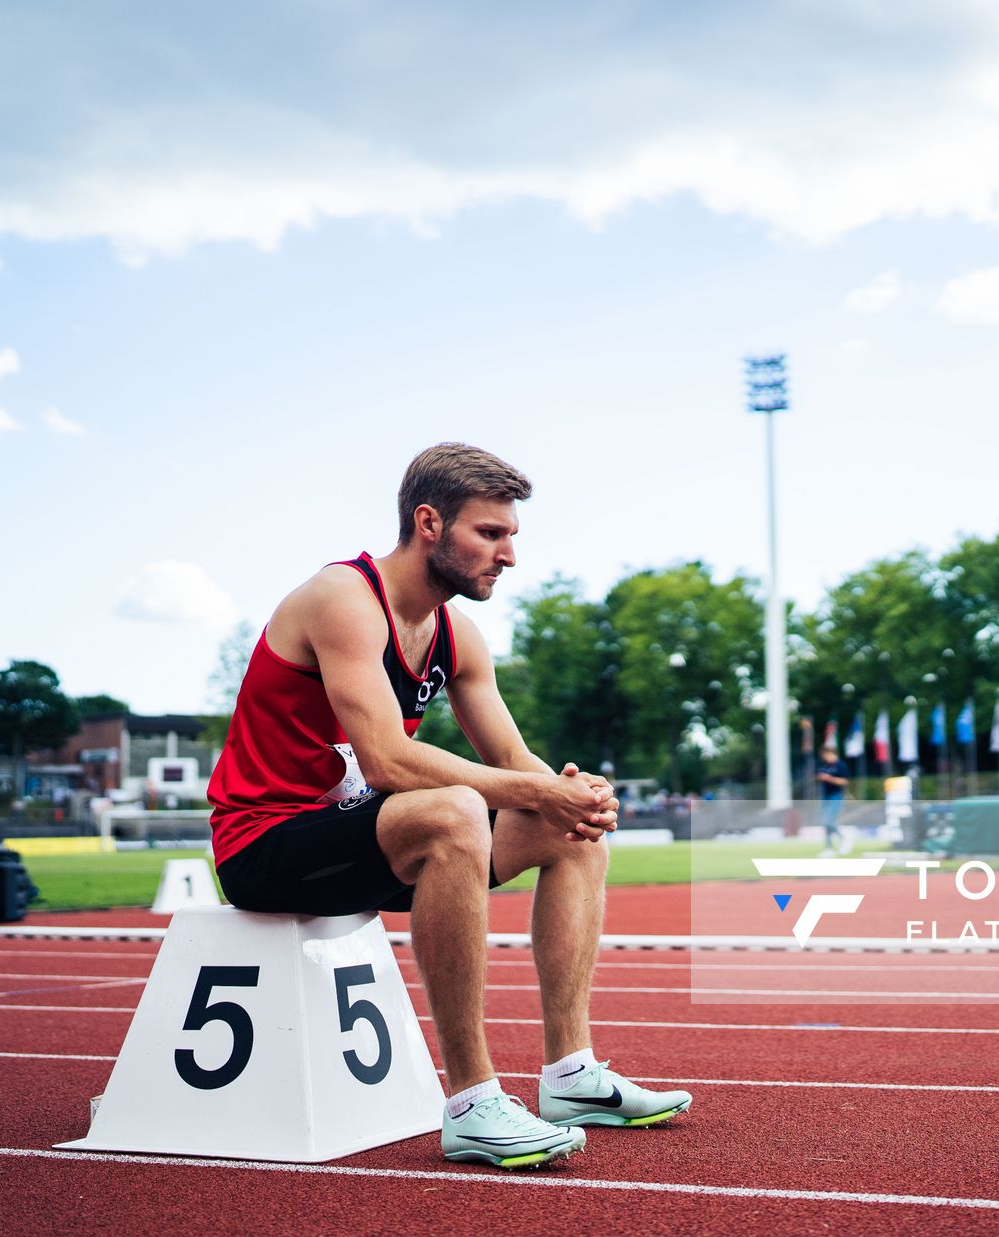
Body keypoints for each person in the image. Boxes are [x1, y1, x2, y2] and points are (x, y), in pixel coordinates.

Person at [206, 443, 689, 1170]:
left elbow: (515, 761)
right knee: (454, 810)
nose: (508, 556)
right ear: (429, 523)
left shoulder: (458, 636)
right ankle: (471, 1104)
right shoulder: (343, 599)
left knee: (572, 832)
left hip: (363, 840)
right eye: (490, 535)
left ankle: (571, 1076)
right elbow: (387, 760)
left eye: (511, 537)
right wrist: (535, 791)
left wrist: (574, 796)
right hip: (263, 844)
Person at [815, 747, 848, 854]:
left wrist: (829, 778)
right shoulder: (825, 766)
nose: (824, 758)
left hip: (836, 796)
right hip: (825, 796)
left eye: (826, 755)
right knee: (825, 822)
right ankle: (828, 848)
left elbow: (844, 782)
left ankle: (844, 838)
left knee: (829, 821)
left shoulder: (840, 765)